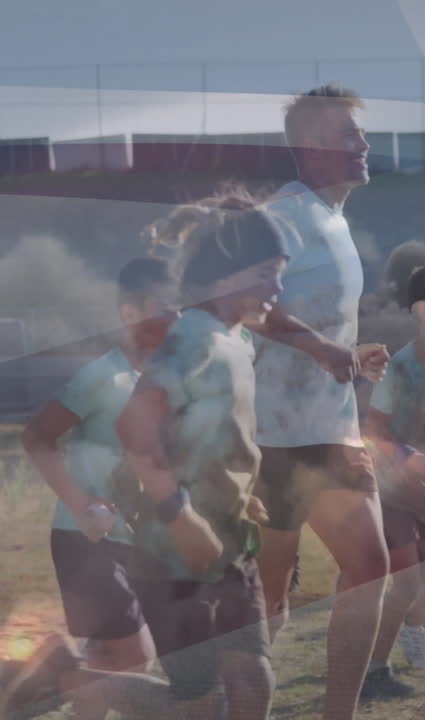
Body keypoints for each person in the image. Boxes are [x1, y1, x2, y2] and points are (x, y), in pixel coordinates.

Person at [1, 193, 290, 720]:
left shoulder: (226, 344)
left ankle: (65, 676)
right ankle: (61, 676)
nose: (278, 288)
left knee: (241, 676)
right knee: (164, 681)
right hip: (123, 540)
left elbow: (209, 443)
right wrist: (102, 506)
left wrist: (235, 497)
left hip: (191, 534)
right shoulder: (130, 366)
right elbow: (56, 437)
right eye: (268, 273)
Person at [248, 83, 391, 720]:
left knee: (370, 567)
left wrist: (350, 355)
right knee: (268, 598)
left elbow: (314, 321)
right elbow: (247, 301)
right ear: (312, 145)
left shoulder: (334, 218)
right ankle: (238, 705)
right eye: (348, 135)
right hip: (275, 441)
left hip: (333, 434)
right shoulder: (285, 214)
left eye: (361, 133)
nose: (363, 144)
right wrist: (318, 347)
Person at [20, 257, 175, 719]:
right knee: (133, 656)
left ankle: (51, 677)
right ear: (130, 314)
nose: (177, 318)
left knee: (113, 659)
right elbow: (37, 437)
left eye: (181, 308)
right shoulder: (102, 376)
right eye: (165, 307)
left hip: (137, 541)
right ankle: (43, 675)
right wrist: (80, 503)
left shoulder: (168, 379)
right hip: (84, 539)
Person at [358, 264, 425, 699]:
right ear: (422, 310)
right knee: (405, 584)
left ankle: (409, 628)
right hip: (390, 492)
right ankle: (374, 671)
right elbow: (372, 432)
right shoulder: (398, 368)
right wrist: (410, 458)